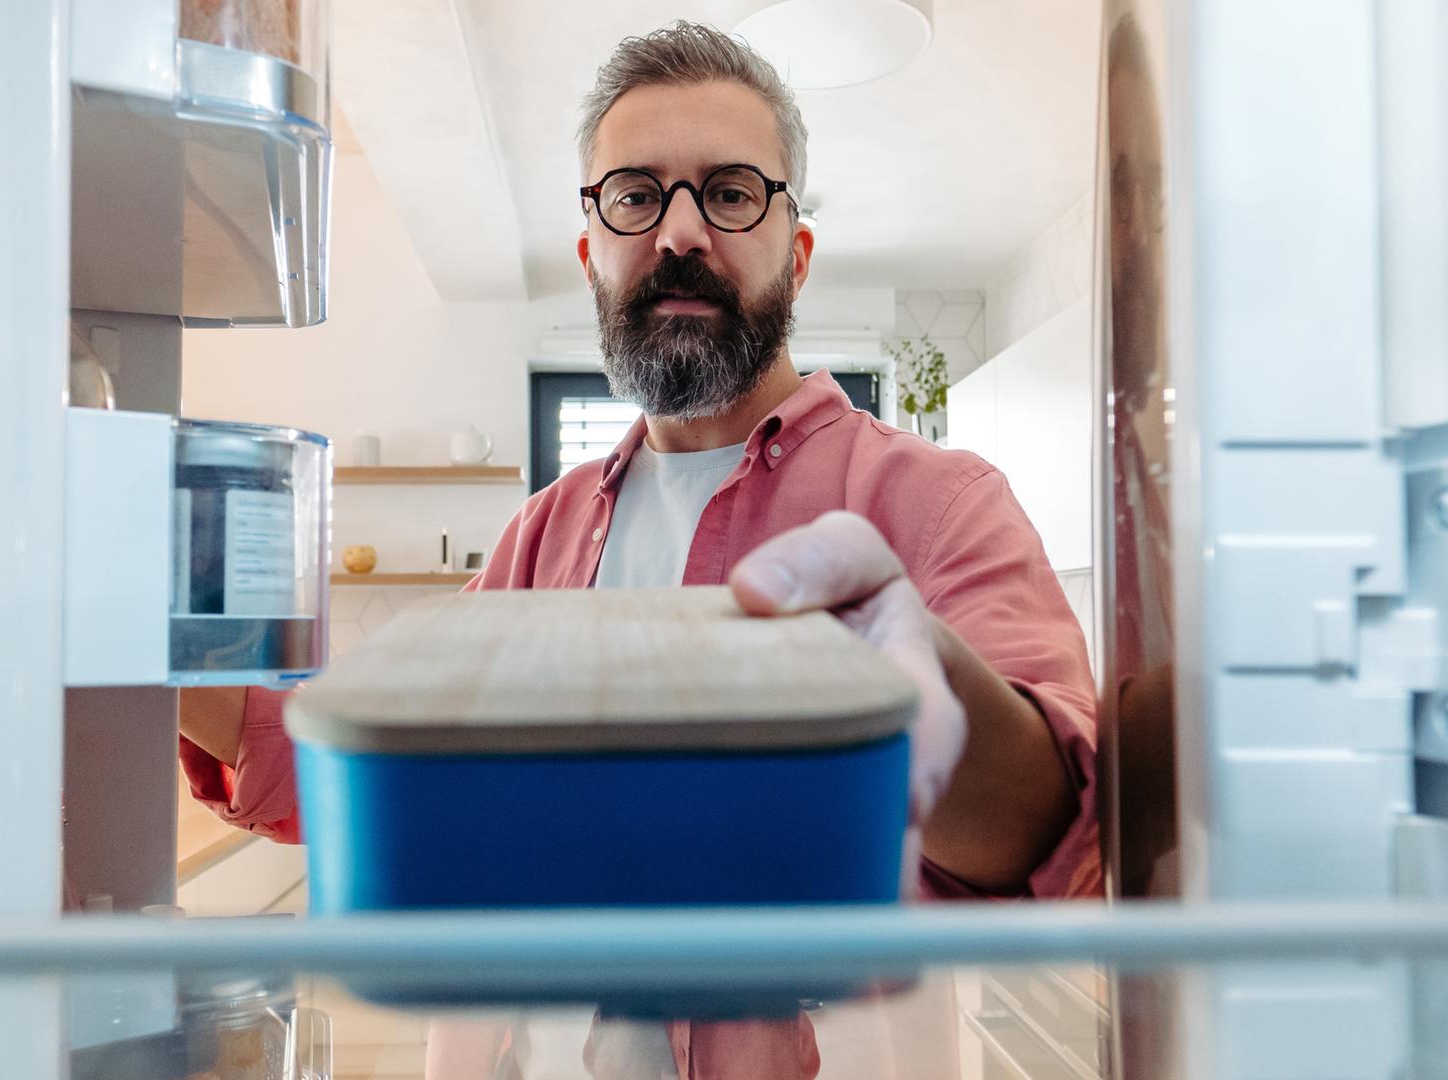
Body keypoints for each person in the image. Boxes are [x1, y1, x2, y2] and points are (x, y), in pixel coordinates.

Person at [178, 21, 1099, 1077]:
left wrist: (925, 687)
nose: (680, 232)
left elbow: (1064, 838)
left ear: (797, 255)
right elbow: (366, 769)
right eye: (635, 196)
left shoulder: (939, 504)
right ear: (592, 257)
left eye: (732, 192)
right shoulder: (543, 535)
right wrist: (135, 636)